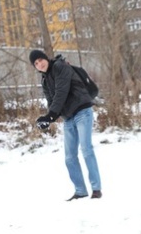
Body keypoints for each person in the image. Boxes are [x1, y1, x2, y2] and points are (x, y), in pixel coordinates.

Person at [29, 49, 102, 201]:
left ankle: (96, 189)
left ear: (46, 58)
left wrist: (50, 116)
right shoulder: (44, 80)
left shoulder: (60, 67)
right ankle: (80, 190)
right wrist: (49, 118)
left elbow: (62, 92)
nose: (39, 64)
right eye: (36, 64)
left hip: (82, 111)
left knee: (86, 149)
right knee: (69, 157)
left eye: (40, 60)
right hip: (68, 117)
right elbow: (52, 101)